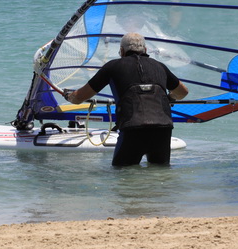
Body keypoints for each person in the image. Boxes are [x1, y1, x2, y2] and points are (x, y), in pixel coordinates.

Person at [64, 33, 188, 166]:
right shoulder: (160, 66)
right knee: (160, 174)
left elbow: (79, 97)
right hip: (163, 128)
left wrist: (69, 96)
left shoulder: (112, 66)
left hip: (133, 128)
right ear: (145, 50)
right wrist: (169, 98)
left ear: (122, 51)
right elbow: (182, 92)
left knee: (122, 174)